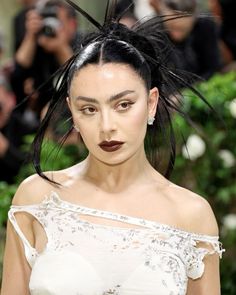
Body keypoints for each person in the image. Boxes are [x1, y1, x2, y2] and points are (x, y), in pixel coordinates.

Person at [1, 0, 224, 294]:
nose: (107, 126)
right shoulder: (36, 199)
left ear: (152, 103)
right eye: (89, 109)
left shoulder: (191, 214)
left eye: (123, 105)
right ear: (72, 112)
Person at [149, 0, 222, 80]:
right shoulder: (153, 33)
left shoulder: (205, 26)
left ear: (193, 19)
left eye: (182, 29)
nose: (176, 34)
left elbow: (213, 67)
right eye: (172, 27)